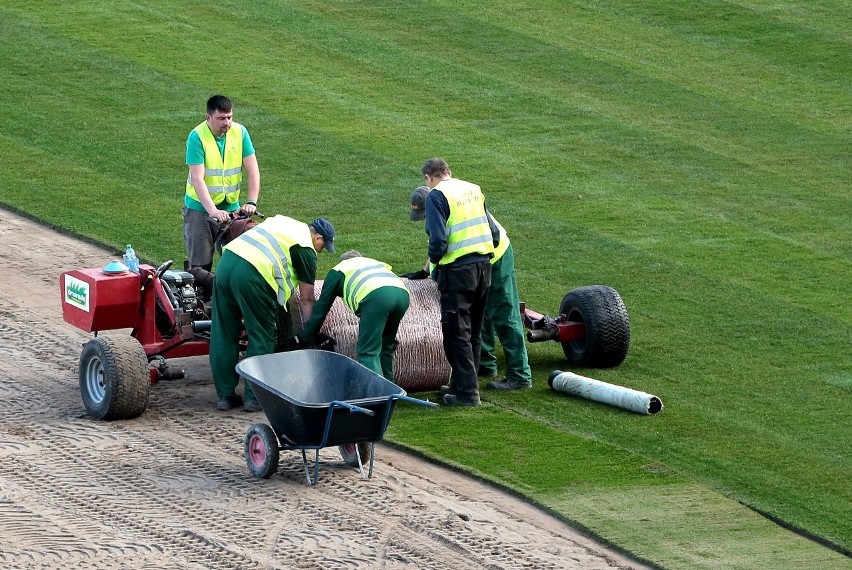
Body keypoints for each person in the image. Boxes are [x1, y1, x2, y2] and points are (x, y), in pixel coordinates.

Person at [408, 187, 532, 391]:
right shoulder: (448, 203)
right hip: (478, 260)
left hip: (496, 255)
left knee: (504, 315)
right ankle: (484, 364)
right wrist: (425, 270)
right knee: (477, 314)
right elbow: (447, 244)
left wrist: (438, 270)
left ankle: (520, 375)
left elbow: (445, 244)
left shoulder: (442, 206)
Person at [209, 215, 336, 412]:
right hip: (252, 275)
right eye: (323, 246)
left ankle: (225, 396)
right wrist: (311, 332)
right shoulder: (306, 248)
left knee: (223, 332)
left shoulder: (283, 222)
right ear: (317, 237)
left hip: (226, 264)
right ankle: (255, 397)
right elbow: (307, 298)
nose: (321, 251)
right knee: (262, 337)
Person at [420, 158, 498, 407]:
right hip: (484, 267)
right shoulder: (473, 189)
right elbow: (494, 233)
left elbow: (438, 241)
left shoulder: (436, 196)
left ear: (428, 178)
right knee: (474, 329)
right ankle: (464, 383)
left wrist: (435, 262)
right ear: (448, 172)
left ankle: (466, 393)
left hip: (458, 271)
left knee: (457, 331)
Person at [298, 251, 410, 381]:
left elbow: (321, 308)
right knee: (385, 347)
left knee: (367, 352)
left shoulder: (339, 270)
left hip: (377, 297)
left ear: (342, 261)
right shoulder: (373, 263)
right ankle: (393, 394)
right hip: (402, 294)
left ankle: (377, 396)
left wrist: (305, 336)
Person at [184, 94, 261, 273]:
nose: (227, 122)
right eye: (221, 118)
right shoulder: (197, 137)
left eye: (229, 117)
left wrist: (251, 201)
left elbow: (253, 170)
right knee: (201, 266)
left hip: (231, 208)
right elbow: (197, 178)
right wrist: (213, 211)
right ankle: (201, 298)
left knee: (237, 262)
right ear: (208, 118)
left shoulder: (240, 132)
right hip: (200, 210)